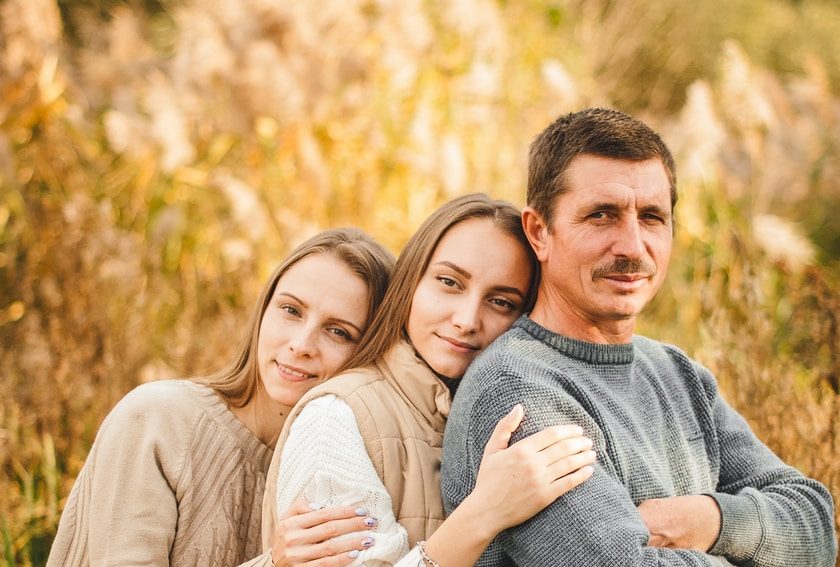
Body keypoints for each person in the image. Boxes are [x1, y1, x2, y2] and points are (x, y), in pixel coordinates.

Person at [441, 108, 838, 566]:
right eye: (602, 215)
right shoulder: (518, 390)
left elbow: (816, 528)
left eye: (651, 217)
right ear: (539, 232)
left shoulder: (678, 372)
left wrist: (711, 519)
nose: (632, 246)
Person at [261, 194, 597, 566]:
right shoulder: (336, 418)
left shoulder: (511, 412)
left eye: (501, 302)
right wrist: (485, 512)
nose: (467, 319)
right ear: (411, 281)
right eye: (449, 282)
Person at [47, 228, 396, 566]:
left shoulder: (341, 469)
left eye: (338, 332)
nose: (301, 345)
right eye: (291, 310)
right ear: (263, 309)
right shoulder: (158, 420)